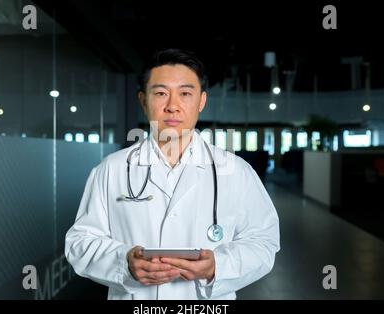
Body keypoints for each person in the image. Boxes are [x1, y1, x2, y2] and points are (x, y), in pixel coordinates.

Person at [65, 48, 280, 300]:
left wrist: (218, 266)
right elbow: (80, 242)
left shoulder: (237, 172)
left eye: (185, 93)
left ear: (201, 101)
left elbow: (263, 243)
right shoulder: (110, 170)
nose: (172, 106)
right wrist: (124, 262)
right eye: (160, 93)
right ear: (143, 101)